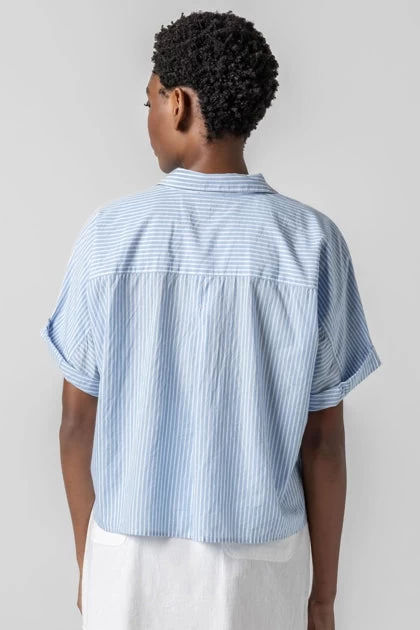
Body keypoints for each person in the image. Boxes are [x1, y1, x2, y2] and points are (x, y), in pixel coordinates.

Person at [40, 9, 382, 630]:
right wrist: (323, 598)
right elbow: (324, 444)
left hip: (126, 563)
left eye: (149, 100)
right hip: (258, 570)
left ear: (178, 105)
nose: (148, 117)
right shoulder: (310, 243)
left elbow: (74, 424)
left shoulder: (109, 236)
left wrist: (90, 566)